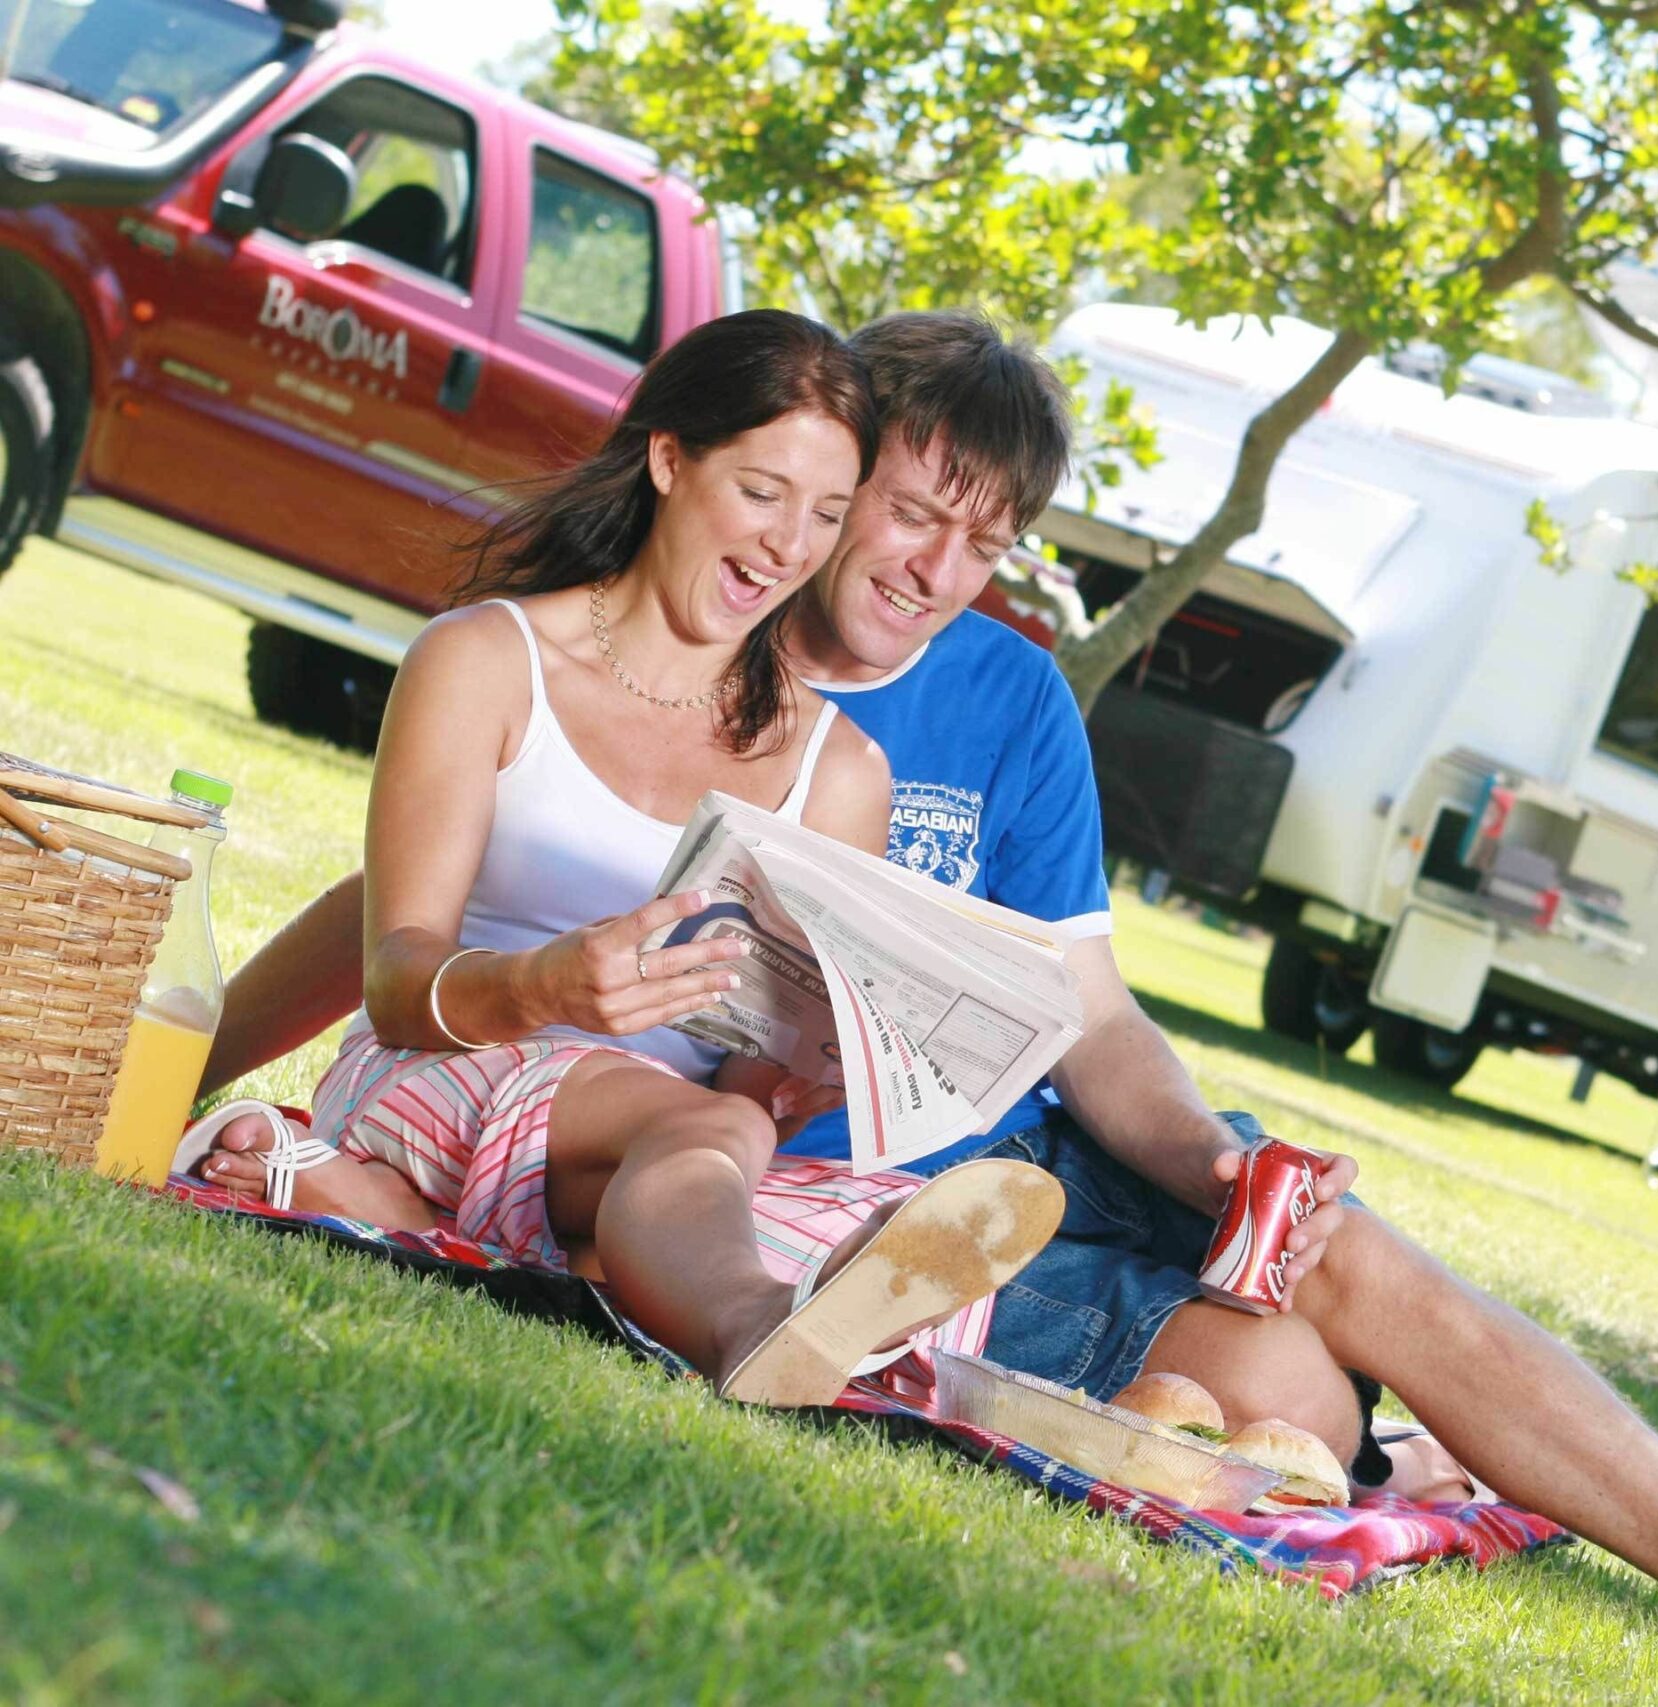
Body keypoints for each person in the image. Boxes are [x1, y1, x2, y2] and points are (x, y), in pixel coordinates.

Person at [199, 310, 1658, 1698]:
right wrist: (187, 1058)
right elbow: (440, 897)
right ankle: (953, 1366)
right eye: (897, 513)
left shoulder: (994, 696)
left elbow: (1092, 1012)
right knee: (1292, 1389)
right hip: (774, 1174)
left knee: (1322, 1267)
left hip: (1001, 1174)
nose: (925, 568)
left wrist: (1219, 1161)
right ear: (809, 480)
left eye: (983, 539)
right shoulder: (656, 664)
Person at [184, 309, 1062, 1408]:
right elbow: (397, 981)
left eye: (827, 513)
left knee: (848, 1210)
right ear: (668, 458)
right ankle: (749, 1329)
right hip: (440, 1077)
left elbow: (750, 1087)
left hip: (652, 1160)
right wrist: (544, 985)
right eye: (762, 492)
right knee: (718, 1155)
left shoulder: (839, 773)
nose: (790, 544)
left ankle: (418, 1223)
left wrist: (801, 1077)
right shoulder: (487, 663)